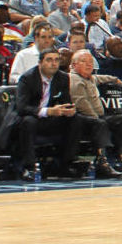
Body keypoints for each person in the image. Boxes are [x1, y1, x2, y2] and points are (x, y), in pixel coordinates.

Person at [10, 47, 82, 180]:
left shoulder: (63, 77)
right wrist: (47, 111)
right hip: (31, 117)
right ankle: (29, 167)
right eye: (49, 60)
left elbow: (66, 101)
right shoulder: (27, 78)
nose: (53, 63)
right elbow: (22, 107)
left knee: (75, 120)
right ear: (40, 63)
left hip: (51, 118)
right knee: (28, 122)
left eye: (56, 60)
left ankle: (65, 164)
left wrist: (68, 110)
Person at [69, 49, 122, 177]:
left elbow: (99, 78)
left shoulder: (88, 77)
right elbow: (82, 105)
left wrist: (114, 79)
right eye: (84, 61)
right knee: (100, 123)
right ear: (74, 65)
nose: (88, 65)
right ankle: (102, 162)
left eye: (90, 62)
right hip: (81, 120)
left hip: (96, 118)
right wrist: (99, 118)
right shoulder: (75, 80)